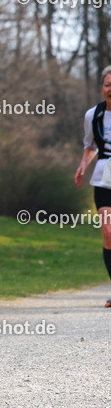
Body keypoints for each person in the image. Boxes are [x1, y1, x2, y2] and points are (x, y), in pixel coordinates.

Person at [74, 64, 111, 307]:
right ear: (101, 88)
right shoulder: (93, 115)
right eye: (108, 84)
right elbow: (90, 145)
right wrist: (83, 165)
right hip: (104, 177)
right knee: (108, 233)